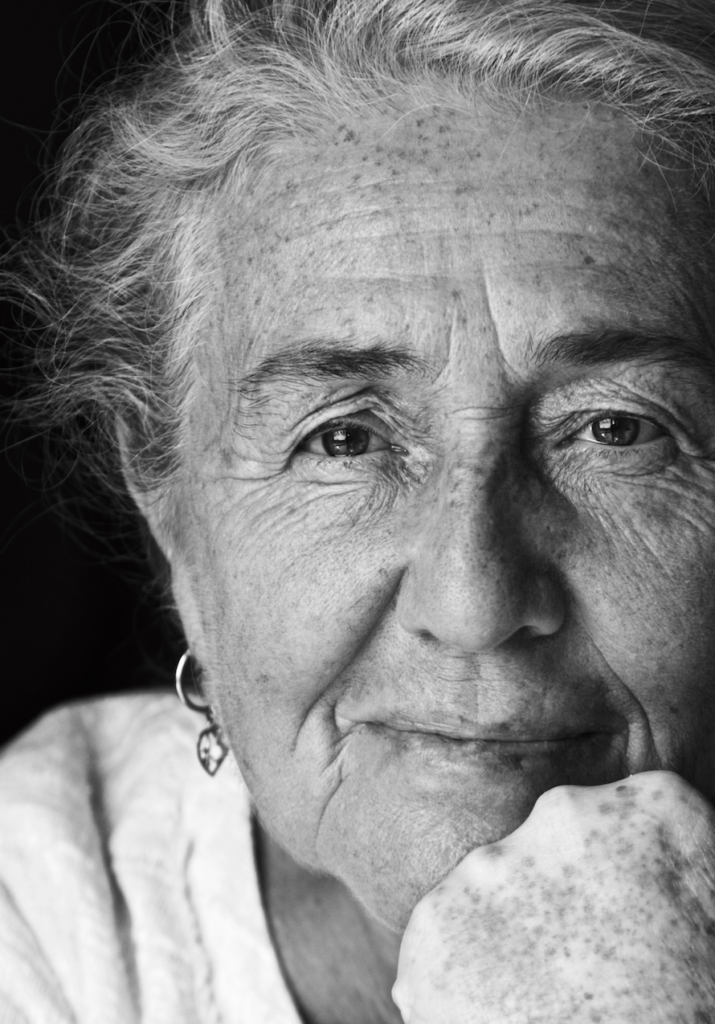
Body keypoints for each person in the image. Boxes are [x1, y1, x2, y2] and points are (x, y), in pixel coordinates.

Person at [2, 0, 715, 1020]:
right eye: (343, 440)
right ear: (169, 508)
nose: (472, 604)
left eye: (614, 430)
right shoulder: (36, 923)